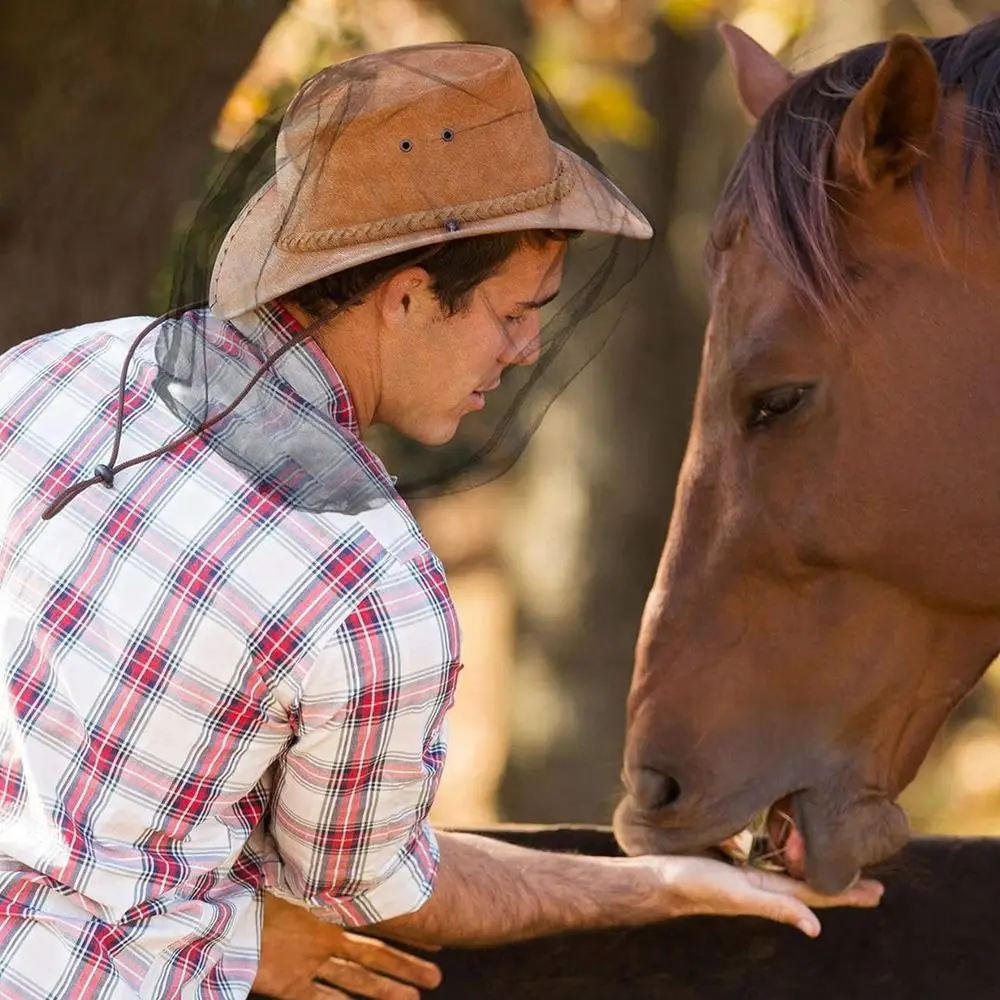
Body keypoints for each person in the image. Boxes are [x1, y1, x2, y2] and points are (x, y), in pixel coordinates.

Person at [0, 42, 882, 1000]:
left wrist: (219, 918)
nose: (527, 348)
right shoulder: (367, 582)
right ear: (409, 295)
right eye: (512, 313)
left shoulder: (53, 371)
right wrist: (661, 887)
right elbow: (373, 892)